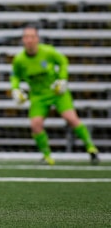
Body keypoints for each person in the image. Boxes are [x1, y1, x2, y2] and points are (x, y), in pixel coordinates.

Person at [10, 25, 99, 165]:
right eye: (26, 37)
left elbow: (63, 61)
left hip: (56, 92)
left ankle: (91, 148)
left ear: (37, 38)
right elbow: (15, 75)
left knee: (70, 118)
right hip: (38, 96)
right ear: (23, 40)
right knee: (35, 124)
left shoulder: (48, 52)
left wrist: (62, 79)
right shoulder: (19, 59)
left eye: (32, 37)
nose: (29, 40)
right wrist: (15, 89)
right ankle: (47, 157)